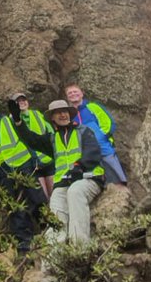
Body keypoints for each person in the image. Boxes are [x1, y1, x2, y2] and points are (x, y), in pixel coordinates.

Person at [14, 99, 105, 244]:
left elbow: (93, 153)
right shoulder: (52, 139)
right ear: (52, 118)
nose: (63, 115)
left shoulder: (84, 131)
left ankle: (79, 248)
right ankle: (53, 258)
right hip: (63, 183)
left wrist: (79, 166)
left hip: (89, 178)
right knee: (55, 207)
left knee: (75, 192)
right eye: (58, 113)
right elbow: (31, 139)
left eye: (65, 112)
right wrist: (18, 122)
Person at [0, 94, 47, 252]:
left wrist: (35, 159)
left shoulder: (9, 120)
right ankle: (24, 242)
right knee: (15, 206)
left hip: (23, 164)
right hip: (4, 173)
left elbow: (25, 137)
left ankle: (46, 228)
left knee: (35, 196)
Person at [65, 84, 127, 187]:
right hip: (85, 150)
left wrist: (102, 136)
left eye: (75, 91)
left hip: (103, 146)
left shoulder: (93, 107)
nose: (73, 94)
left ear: (81, 93)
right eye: (70, 93)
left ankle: (121, 187)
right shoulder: (69, 115)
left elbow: (107, 121)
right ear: (67, 97)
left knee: (113, 168)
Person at [8, 91, 55, 197]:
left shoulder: (37, 114)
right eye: (18, 101)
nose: (21, 102)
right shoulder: (10, 121)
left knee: (55, 193)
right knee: (43, 197)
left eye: (23, 100)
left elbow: (50, 131)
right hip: (31, 164)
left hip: (47, 160)